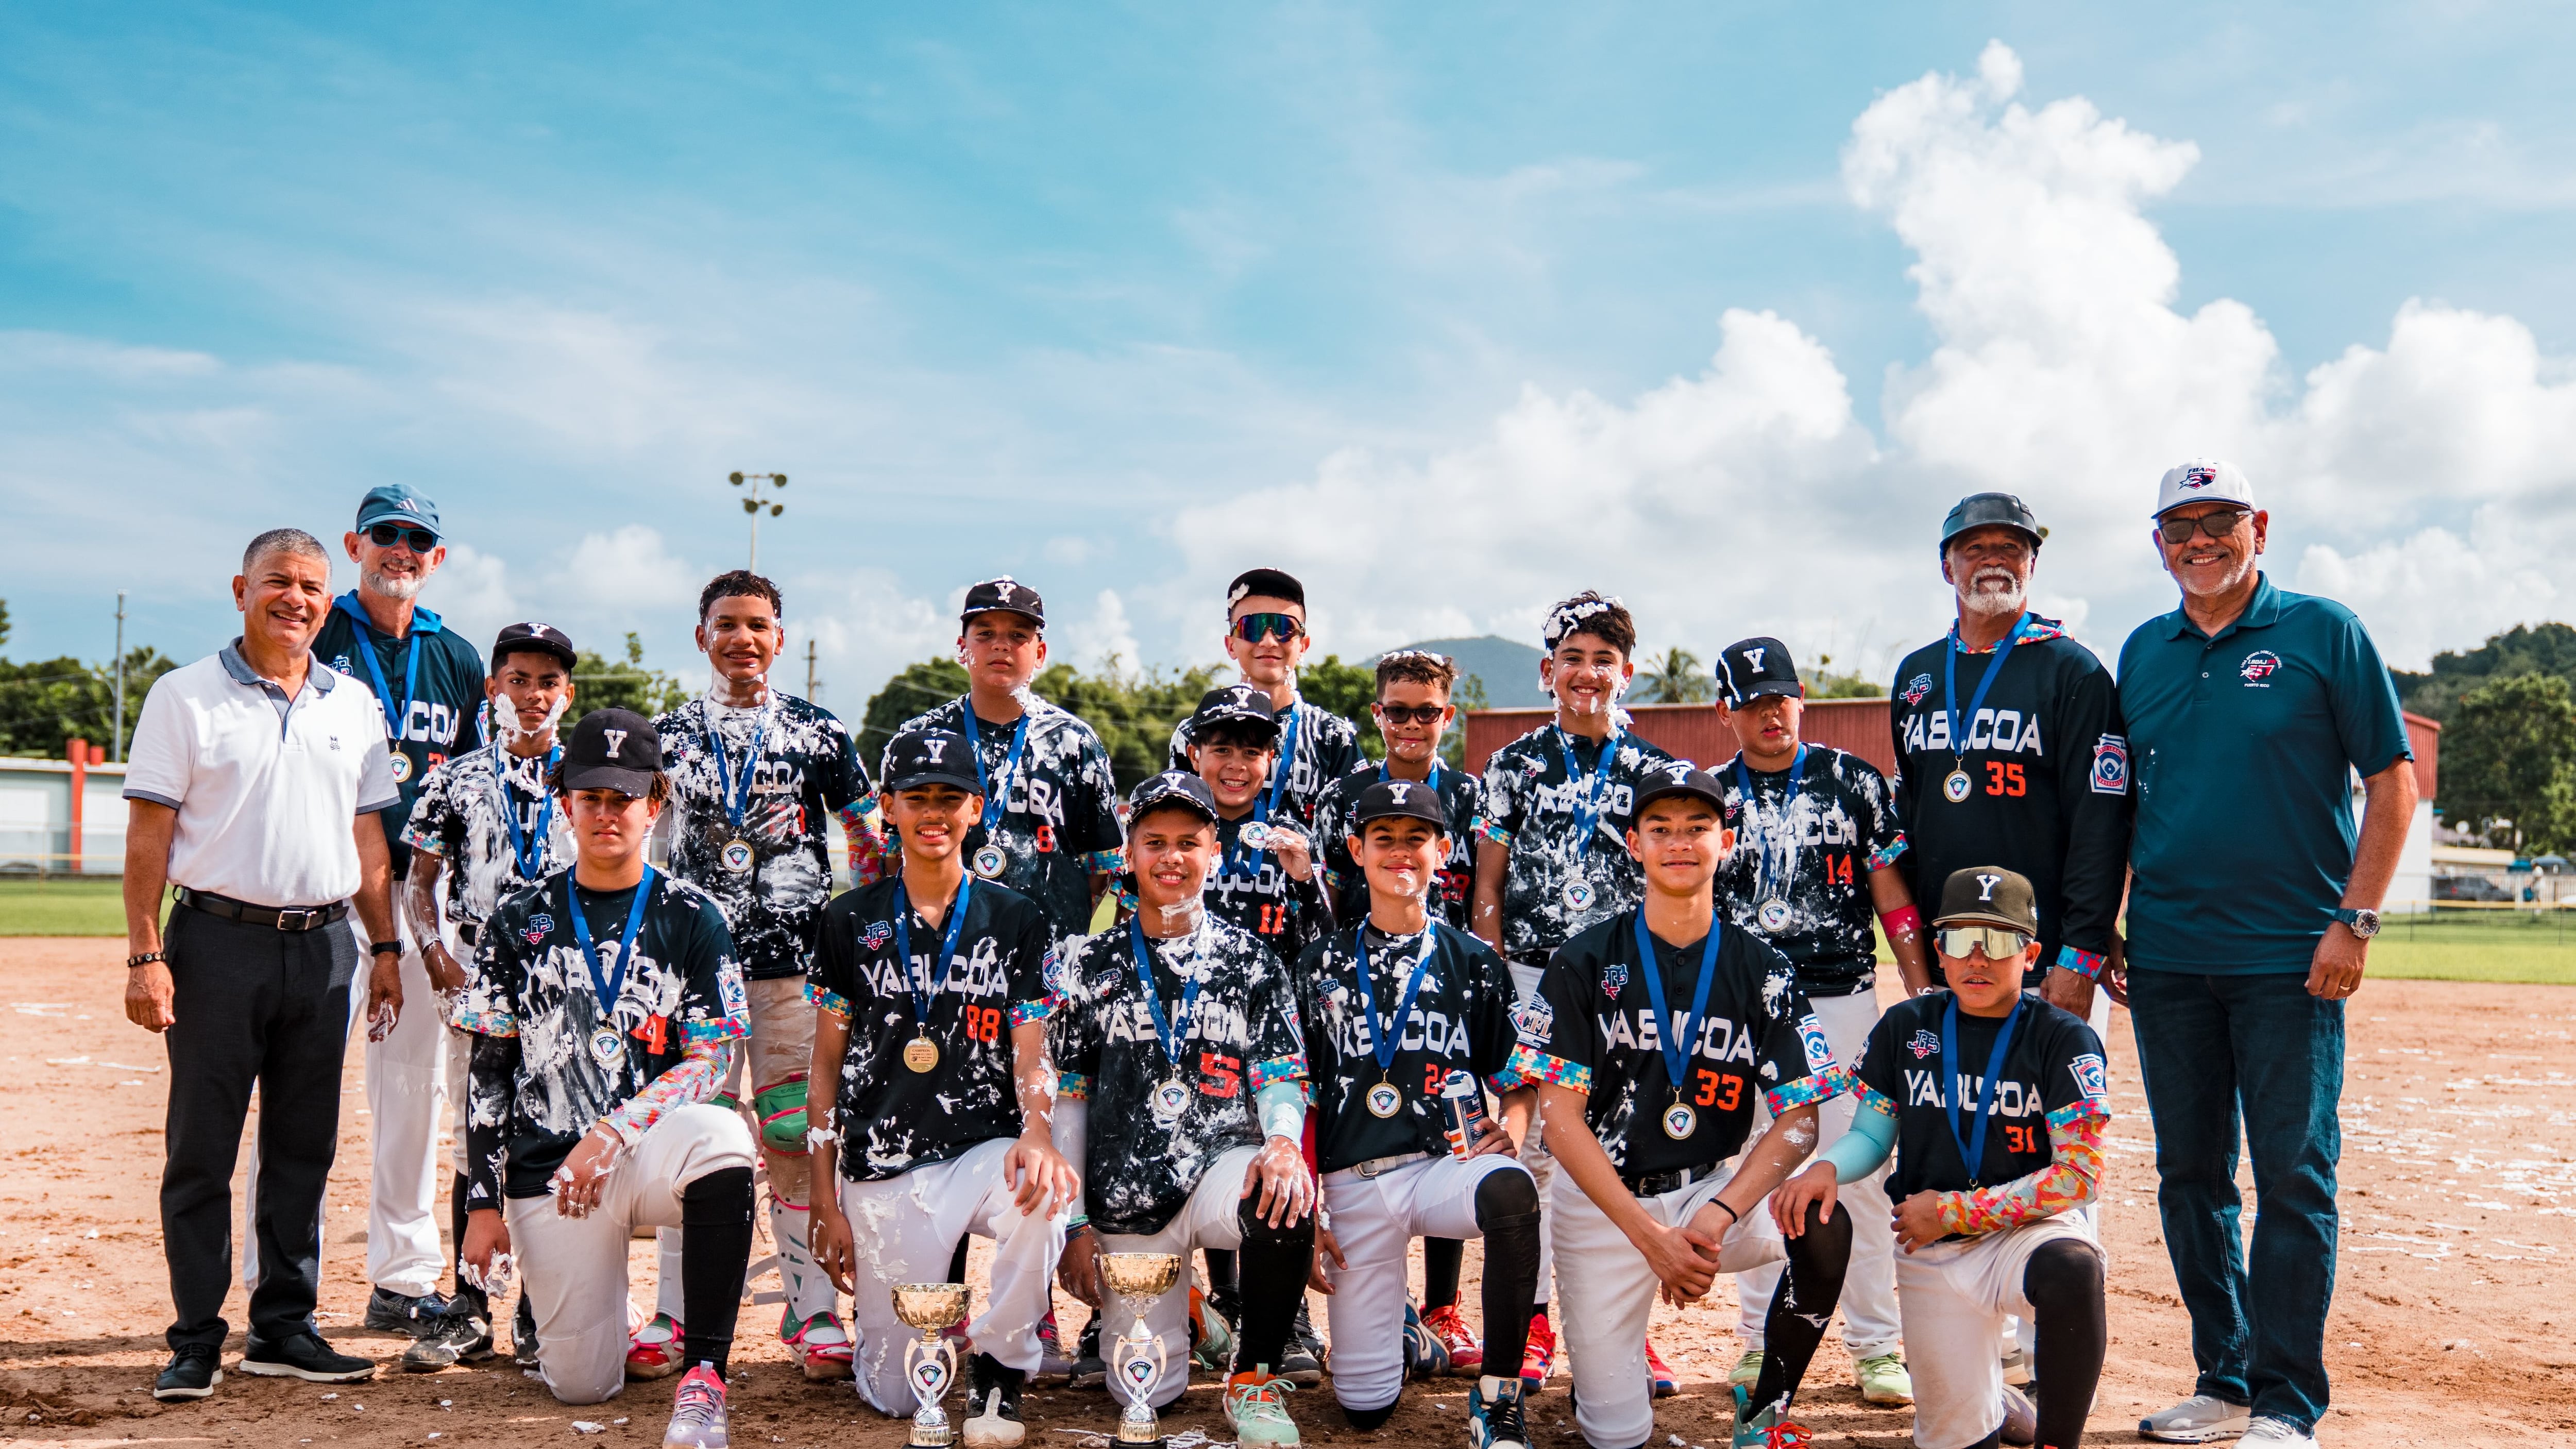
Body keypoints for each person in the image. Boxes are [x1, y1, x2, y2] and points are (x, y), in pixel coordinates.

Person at [2115, 460, 2417, 1449]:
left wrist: (2356, 920)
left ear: (2261, 527)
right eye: (2180, 526)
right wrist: (2110, 919)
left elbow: (2393, 782)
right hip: (2169, 960)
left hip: (2293, 959)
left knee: (2294, 1176)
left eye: (2221, 520)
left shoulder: (2324, 631)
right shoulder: (2143, 651)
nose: (2200, 540)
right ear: (2159, 543)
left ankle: (2288, 1400)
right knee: (2189, 1176)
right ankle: (2227, 1377)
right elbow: (2125, 801)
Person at [123, 528, 404, 1402]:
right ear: (241, 589)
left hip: (325, 947)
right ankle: (195, 1338)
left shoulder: (352, 702)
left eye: (313, 586)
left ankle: (284, 1327)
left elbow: (368, 838)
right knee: (202, 1148)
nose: (297, 597)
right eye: (279, 580)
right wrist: (145, 953)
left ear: (329, 600)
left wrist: (385, 946)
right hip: (216, 943)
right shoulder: (184, 695)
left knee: (303, 1147)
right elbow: (148, 834)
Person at [1506, 763, 1850, 1449]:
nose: (1679, 843)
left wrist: (1719, 1214)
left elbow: (1799, 1119)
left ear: (1726, 841)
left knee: (1822, 1223)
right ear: (1634, 844)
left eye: (1698, 827)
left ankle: (1766, 1411)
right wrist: (1650, 1238)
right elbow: (1560, 1122)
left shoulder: (1763, 967)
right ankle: (1605, 1378)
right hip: (1605, 1206)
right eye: (1660, 829)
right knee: (1615, 1437)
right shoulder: (1583, 958)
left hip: (1707, 1193)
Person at [453, 709, 759, 1449]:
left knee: (723, 1136)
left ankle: (704, 1377)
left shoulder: (694, 915)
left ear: (655, 803)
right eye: (590, 797)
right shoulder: (518, 918)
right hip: (552, 1173)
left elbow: (712, 1059)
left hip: (645, 1151)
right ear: (566, 804)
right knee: (581, 1385)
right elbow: (489, 1072)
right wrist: (482, 1203)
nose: (605, 813)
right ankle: (604, 1302)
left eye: (623, 797)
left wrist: (612, 1132)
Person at [1773, 866, 2112, 1449]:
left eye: (1998, 942)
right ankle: (1991, 1402)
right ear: (1938, 951)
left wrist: (1955, 1210)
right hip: (1930, 1248)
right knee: (1959, 1442)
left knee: (2073, 1268)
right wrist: (1826, 1167)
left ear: (2030, 954)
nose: (1977, 958)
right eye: (1961, 939)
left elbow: (2080, 1176)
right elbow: (1873, 1137)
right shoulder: (1908, 1025)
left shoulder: (2063, 1037)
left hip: (2024, 1234)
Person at [646, 570, 886, 1381]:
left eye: (757, 625)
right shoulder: (667, 737)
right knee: (690, 1137)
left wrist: (863, 940)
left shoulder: (819, 732)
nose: (742, 639)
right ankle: (675, 1313)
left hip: (795, 972)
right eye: (726, 624)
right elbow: (640, 842)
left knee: (791, 1132)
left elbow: (869, 842)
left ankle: (812, 1308)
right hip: (694, 975)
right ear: (701, 636)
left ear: (780, 638)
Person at [806, 729, 1077, 1446]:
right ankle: (920, 1339)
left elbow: (1032, 1049)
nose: (933, 812)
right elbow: (825, 1067)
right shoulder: (848, 917)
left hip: (980, 1151)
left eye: (949, 798)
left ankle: (1000, 1361)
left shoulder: (1017, 916)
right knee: (895, 1397)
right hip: (882, 1162)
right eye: (917, 797)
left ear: (975, 808)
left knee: (1043, 1193)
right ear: (887, 806)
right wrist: (824, 1198)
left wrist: (1037, 1132)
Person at [1047, 770, 1317, 1448]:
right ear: (1129, 854)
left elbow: (1281, 1075)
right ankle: (1193, 1314)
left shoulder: (1250, 959)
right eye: (1155, 842)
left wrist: (1283, 1141)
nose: (1172, 857)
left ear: (1214, 853)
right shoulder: (1090, 964)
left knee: (1282, 1194)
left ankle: (1253, 1376)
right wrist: (1075, 1223)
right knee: (1144, 1392)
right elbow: (1070, 1097)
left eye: (1189, 843)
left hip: (1223, 1164)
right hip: (1127, 1191)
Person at [1710, 637, 1931, 1408]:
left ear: (1801, 697)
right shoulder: (1711, 795)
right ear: (1725, 712)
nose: (1769, 714)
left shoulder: (1853, 781)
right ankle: (1757, 1340)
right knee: (1755, 1169)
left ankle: (1876, 1344)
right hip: (1743, 1007)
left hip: (1839, 998)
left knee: (1856, 1172)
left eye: (1780, 698)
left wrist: (1921, 990)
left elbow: (1891, 894)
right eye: (1751, 703)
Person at [1470, 590, 1676, 1390]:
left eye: (1604, 660)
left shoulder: (1655, 771)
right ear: (1547, 670)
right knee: (1533, 1154)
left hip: (1624, 982)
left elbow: (1671, 884)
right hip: (1531, 975)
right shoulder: (1513, 765)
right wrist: (1498, 983)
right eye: (1573, 659)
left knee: (1623, 1150)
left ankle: (1626, 1327)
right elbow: (1488, 886)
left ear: (1628, 672)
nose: (1587, 674)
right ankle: (1531, 1321)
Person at [1297, 779, 1541, 1449]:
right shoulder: (1319, 965)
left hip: (1445, 1167)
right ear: (1357, 850)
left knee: (1512, 1190)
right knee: (1363, 1407)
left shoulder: (1474, 961)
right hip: (1353, 1183)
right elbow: (1302, 1095)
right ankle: (1407, 1335)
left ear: (1442, 850)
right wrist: (1312, 1206)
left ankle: (1498, 1398)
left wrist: (1512, 1130)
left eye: (1416, 839)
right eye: (1384, 838)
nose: (1400, 852)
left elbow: (1518, 1080)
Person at [309, 484, 492, 1336]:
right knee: (301, 1088)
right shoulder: (318, 632)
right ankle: (281, 1286)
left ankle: (403, 1278)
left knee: (413, 1088)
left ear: (437, 557)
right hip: (321, 889)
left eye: (418, 539)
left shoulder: (455, 656)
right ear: (355, 544)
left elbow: (475, 781)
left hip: (420, 896)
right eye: (385, 533)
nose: (401, 549)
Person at [398, 621, 583, 1371]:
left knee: (555, 1131)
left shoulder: (589, 778)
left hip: (568, 979)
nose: (533, 695)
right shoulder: (455, 778)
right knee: (474, 1133)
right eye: (518, 680)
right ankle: (469, 1307)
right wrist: (435, 953)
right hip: (478, 970)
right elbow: (419, 882)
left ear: (567, 694)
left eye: (548, 682)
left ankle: (540, 1308)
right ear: (491, 689)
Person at [1885, 494, 2129, 1025]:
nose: (1994, 559)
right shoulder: (1916, 674)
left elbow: (2100, 825)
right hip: (1948, 955)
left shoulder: (2073, 671)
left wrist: (2081, 953)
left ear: (2032, 565)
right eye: (1974, 548)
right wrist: (1918, 960)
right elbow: (1910, 820)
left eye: (2011, 548)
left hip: (2044, 960)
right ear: (1946, 566)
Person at [1311, 648, 1486, 1375]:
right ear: (1376, 714)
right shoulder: (1342, 794)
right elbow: (1326, 894)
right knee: (1369, 1138)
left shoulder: (1470, 793)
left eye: (1427, 712)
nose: (1412, 725)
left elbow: (1485, 886)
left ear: (1449, 715)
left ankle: (1444, 1306)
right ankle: (1387, 1309)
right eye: (1397, 711)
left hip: (1447, 979)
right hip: (1362, 979)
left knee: (1450, 1128)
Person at [887, 577, 1126, 946]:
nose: (1001, 645)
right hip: (940, 951)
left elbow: (1101, 865)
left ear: (1040, 654)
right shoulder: (920, 738)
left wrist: (1061, 926)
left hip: (1049, 955)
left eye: (1018, 635)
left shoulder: (1074, 742)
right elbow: (891, 853)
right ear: (962, 648)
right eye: (985, 634)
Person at [1165, 567, 1366, 828]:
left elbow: (1356, 832)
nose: (1269, 641)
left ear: (1303, 645)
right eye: (1252, 628)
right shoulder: (1194, 731)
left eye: (1285, 628)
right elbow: (1178, 824)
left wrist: (1308, 849)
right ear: (1231, 645)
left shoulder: (1331, 736)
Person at [1189, 684, 1334, 968]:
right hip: (1186, 988)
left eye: (1251, 753)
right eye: (1222, 750)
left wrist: (1305, 880)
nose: (1237, 765)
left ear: (1269, 760)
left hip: (1271, 990)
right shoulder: (1176, 832)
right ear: (1194, 755)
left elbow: (1323, 943)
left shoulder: (1292, 838)